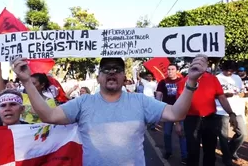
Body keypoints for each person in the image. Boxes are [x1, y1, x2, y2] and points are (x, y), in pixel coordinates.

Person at [12, 56, 207, 166]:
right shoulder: (83, 102)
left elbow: (176, 114)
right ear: (98, 78)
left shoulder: (140, 101)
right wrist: (27, 81)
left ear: (124, 77)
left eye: (117, 69)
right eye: (106, 69)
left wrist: (191, 82)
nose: (112, 72)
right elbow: (49, 115)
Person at [177, 57, 238, 166]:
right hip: (191, 120)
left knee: (210, 151)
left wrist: (231, 113)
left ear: (206, 65)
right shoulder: (183, 81)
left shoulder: (213, 79)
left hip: (211, 119)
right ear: (191, 64)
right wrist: (177, 123)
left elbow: (222, 97)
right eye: (197, 62)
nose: (199, 65)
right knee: (192, 151)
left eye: (203, 62)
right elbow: (179, 105)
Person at [215, 61, 247, 165]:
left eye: (232, 71)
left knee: (242, 133)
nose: (230, 73)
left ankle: (230, 151)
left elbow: (241, 91)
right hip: (221, 110)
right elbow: (211, 95)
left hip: (236, 109)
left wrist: (242, 93)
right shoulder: (216, 78)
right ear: (223, 69)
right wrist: (223, 95)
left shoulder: (237, 77)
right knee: (223, 136)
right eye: (228, 71)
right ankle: (227, 158)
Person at [155, 64, 187, 164]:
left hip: (180, 110)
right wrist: (157, 111)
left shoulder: (182, 81)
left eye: (172, 69)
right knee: (167, 133)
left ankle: (184, 156)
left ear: (177, 71)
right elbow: (158, 96)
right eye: (168, 69)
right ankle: (168, 152)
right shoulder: (162, 82)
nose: (170, 71)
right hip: (167, 110)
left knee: (181, 134)